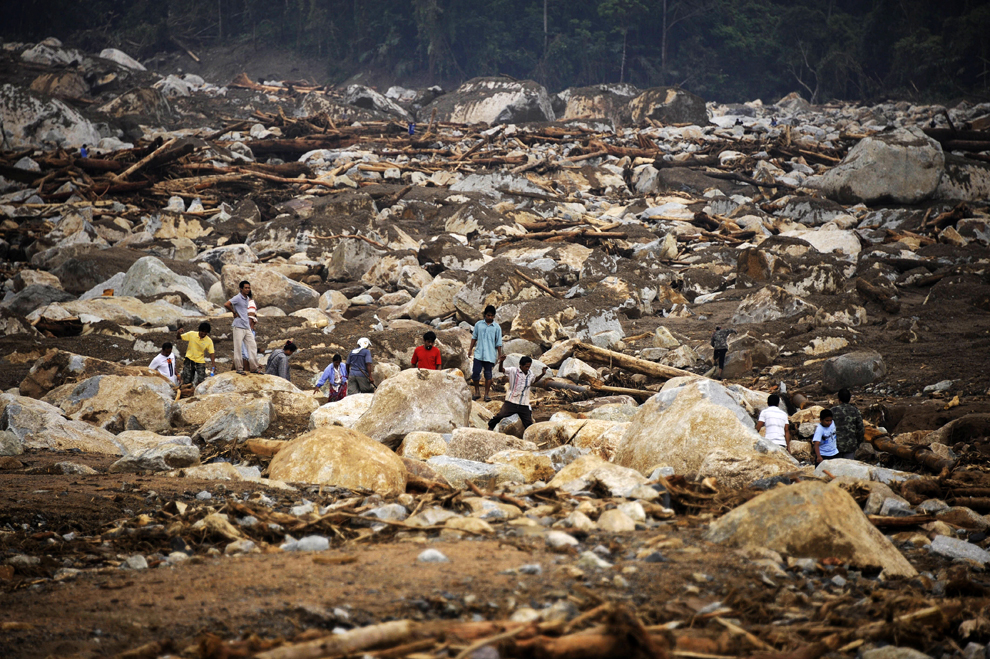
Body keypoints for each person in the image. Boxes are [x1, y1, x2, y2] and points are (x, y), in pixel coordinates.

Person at [488, 356, 549, 432]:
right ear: (521, 365)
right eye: (526, 366)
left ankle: (529, 436)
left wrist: (542, 374)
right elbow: (501, 370)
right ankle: (490, 427)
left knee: (528, 422)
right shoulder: (513, 371)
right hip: (511, 401)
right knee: (501, 415)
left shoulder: (530, 373)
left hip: (523, 403)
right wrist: (501, 362)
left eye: (529, 367)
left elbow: (534, 380)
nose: (527, 368)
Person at [469, 305, 503, 401]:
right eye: (488, 315)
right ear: (485, 315)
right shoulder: (478, 325)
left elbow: (499, 342)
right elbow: (474, 337)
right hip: (479, 354)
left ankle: (486, 395)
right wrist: (470, 349)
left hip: (490, 354)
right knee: (475, 373)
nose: (490, 317)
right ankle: (477, 392)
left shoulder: (497, 328)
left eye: (492, 316)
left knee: (488, 374)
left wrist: (500, 355)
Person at [224, 280, 259, 375]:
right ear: (241, 288)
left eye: (248, 288)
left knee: (252, 346)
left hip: (246, 326)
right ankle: (239, 368)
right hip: (238, 326)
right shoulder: (238, 297)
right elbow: (226, 304)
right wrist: (234, 312)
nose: (247, 289)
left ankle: (254, 368)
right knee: (238, 348)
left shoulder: (247, 298)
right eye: (246, 288)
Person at [175, 321, 216, 386]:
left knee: (201, 379)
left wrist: (213, 365)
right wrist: (178, 333)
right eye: (202, 331)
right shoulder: (192, 334)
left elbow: (211, 353)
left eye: (206, 332)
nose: (203, 334)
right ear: (199, 330)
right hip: (189, 359)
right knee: (187, 378)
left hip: (200, 361)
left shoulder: (209, 341)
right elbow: (179, 337)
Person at [832, 388, 865, 459]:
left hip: (835, 446)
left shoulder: (832, 411)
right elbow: (861, 429)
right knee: (848, 467)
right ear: (849, 399)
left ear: (839, 399)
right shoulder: (855, 411)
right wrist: (858, 443)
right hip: (850, 446)